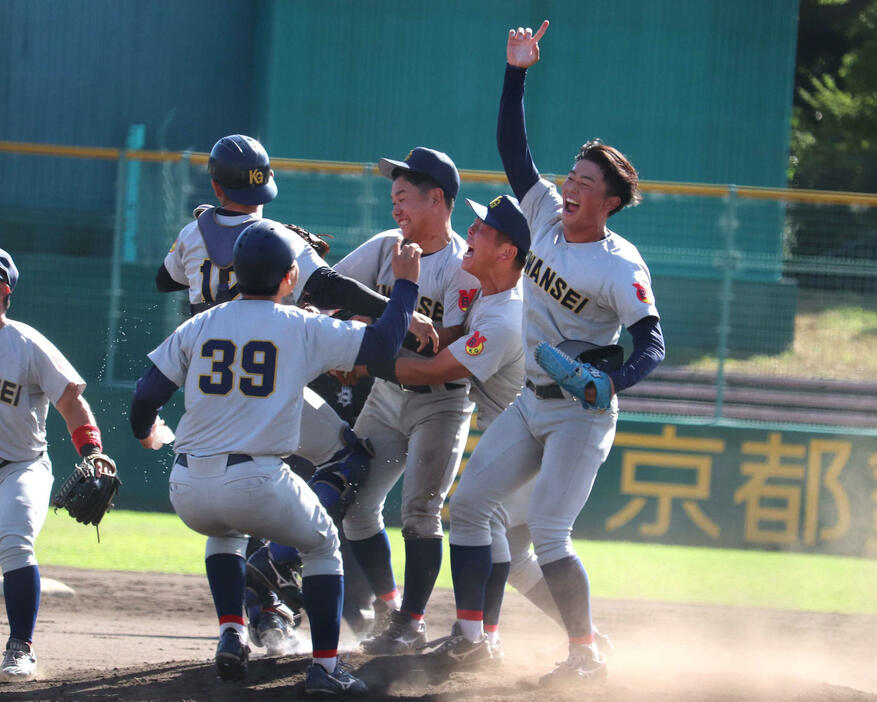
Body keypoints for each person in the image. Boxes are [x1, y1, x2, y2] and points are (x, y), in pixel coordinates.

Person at [439, 21, 666, 688]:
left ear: (610, 202)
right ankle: (473, 637)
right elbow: (512, 145)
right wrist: (516, 73)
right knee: (469, 507)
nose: (568, 184)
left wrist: (614, 381)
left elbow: (651, 340)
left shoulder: (618, 265)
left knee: (548, 534)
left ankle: (585, 653)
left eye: (585, 181)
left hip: (579, 414)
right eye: (571, 173)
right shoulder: (540, 213)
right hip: (528, 402)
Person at [155, 134, 435, 651]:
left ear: (216, 183)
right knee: (345, 457)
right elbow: (330, 289)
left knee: (234, 506)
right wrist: (398, 305)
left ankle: (257, 615)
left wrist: (209, 229)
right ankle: (276, 564)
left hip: (209, 386)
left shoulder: (192, 232)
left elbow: (163, 280)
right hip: (267, 380)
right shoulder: (275, 236)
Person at [130, 220, 422, 694]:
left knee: (223, 534)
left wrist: (147, 434)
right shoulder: (300, 326)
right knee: (324, 545)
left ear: (237, 274)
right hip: (255, 479)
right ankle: (325, 669)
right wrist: (407, 283)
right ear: (291, 277)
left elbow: (145, 398)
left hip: (186, 485)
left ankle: (231, 632)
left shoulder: (198, 324)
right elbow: (386, 342)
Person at [332, 147, 481, 653]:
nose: (394, 208)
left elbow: (443, 341)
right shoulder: (382, 247)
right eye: (392, 197)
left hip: (441, 402)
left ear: (437, 198)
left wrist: (372, 335)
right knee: (355, 504)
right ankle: (389, 605)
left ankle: (412, 622)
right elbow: (327, 294)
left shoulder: (465, 265)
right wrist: (354, 325)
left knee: (419, 512)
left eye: (403, 197)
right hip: (385, 395)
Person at [0, 249, 117, 682]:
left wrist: (91, 451)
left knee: (15, 541)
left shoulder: (26, 344)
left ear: (3, 291)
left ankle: (20, 646)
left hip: (20, 466)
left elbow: (70, 401)